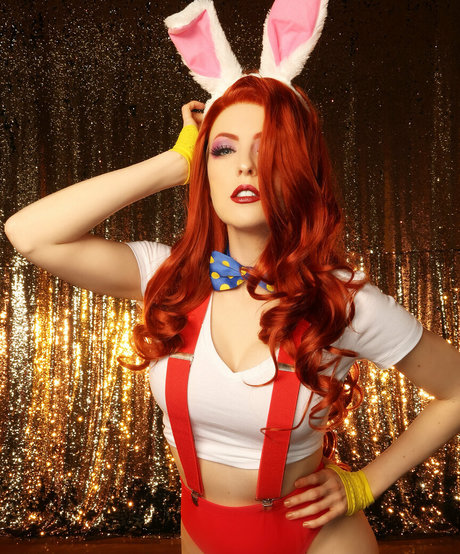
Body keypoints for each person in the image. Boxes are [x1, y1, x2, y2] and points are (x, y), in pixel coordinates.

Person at [4, 72, 460, 554]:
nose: (245, 166)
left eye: (269, 150)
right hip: (201, 533)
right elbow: (29, 234)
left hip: (319, 540)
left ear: (300, 170)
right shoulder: (169, 276)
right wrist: (176, 162)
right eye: (223, 149)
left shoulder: (343, 300)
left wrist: (366, 484)